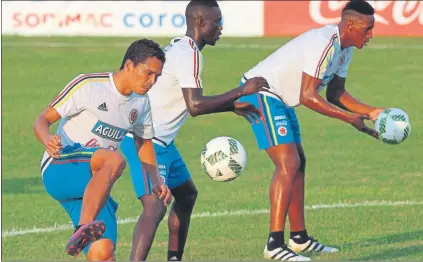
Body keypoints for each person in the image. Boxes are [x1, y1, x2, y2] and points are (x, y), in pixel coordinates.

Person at [120, 0, 269, 261]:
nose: (221, 27)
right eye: (217, 21)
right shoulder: (189, 54)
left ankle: (174, 258)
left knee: (186, 194)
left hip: (163, 141)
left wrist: (231, 105)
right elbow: (196, 106)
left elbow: (191, 102)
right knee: (154, 207)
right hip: (145, 141)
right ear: (201, 23)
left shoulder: (182, 47)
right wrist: (241, 91)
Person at [238, 0, 384, 261]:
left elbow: (336, 93)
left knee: (298, 162)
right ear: (350, 25)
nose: (371, 35)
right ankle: (274, 245)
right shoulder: (325, 42)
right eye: (367, 29)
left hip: (280, 99)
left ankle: (299, 239)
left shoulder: (345, 48)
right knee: (288, 162)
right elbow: (308, 96)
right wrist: (350, 119)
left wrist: (374, 112)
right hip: (260, 93)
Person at [33, 39, 172, 261]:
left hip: (95, 185)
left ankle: (84, 230)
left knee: (103, 253)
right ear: (129, 65)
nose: (152, 81)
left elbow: (143, 142)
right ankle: (84, 226)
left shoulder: (141, 103)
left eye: (157, 76)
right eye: (148, 73)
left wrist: (156, 181)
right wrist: (47, 138)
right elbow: (42, 119)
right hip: (60, 168)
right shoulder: (89, 85)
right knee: (115, 160)